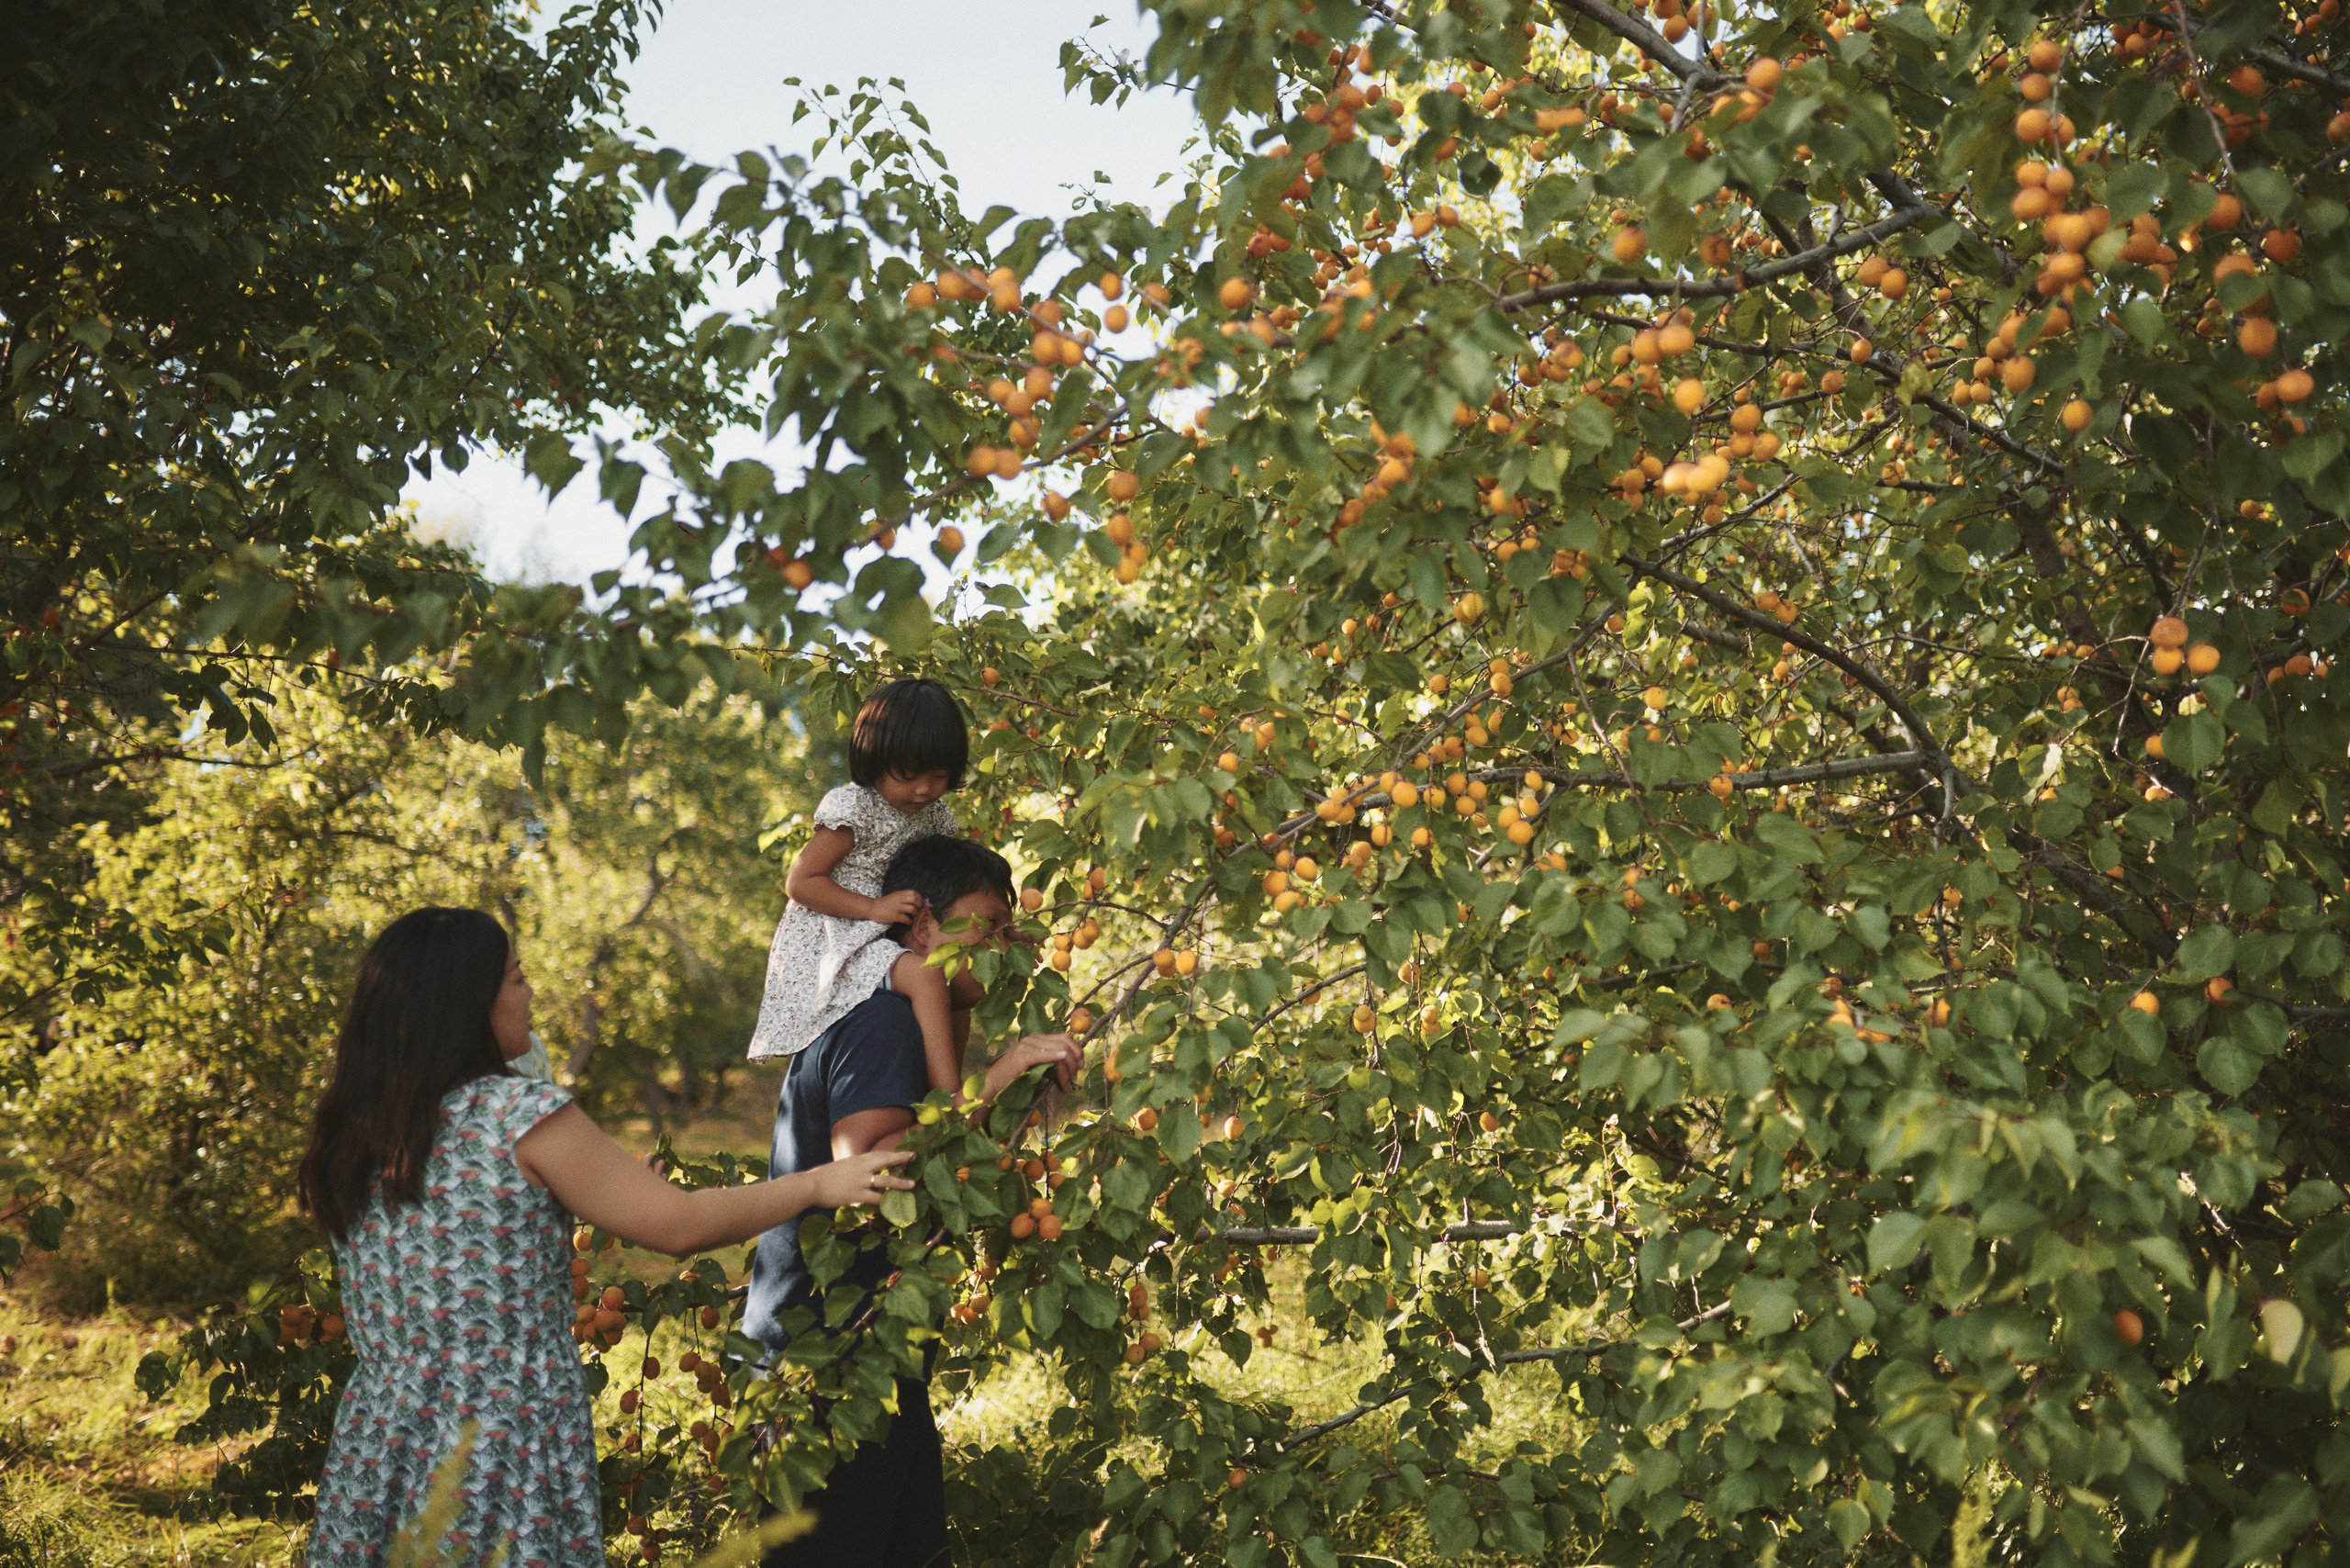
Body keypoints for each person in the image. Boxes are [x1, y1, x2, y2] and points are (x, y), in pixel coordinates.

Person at [297, 907, 914, 1568]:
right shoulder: (518, 1113)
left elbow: (459, 1242)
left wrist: (598, 1199)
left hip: (384, 1432)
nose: (530, 993)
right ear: (464, 1004)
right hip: (496, 1435)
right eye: (516, 979)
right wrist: (819, 1183)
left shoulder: (363, 1129)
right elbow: (680, 1227)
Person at [744, 837, 1080, 1568]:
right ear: (921, 924)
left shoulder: (901, 1015)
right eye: (988, 925)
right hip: (830, 1367)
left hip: (873, 1354)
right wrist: (1000, 1077)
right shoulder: (884, 1019)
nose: (1003, 944)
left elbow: (944, 1159)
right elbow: (873, 1174)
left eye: (1010, 931)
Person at [746, 678, 981, 1098]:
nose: (924, 788)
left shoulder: (937, 817)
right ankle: (950, 1102)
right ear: (874, 761)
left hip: (890, 935)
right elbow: (801, 882)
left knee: (960, 984)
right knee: (928, 979)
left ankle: (941, 1080)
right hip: (839, 938)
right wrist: (873, 909)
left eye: (939, 775)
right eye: (908, 775)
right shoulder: (857, 809)